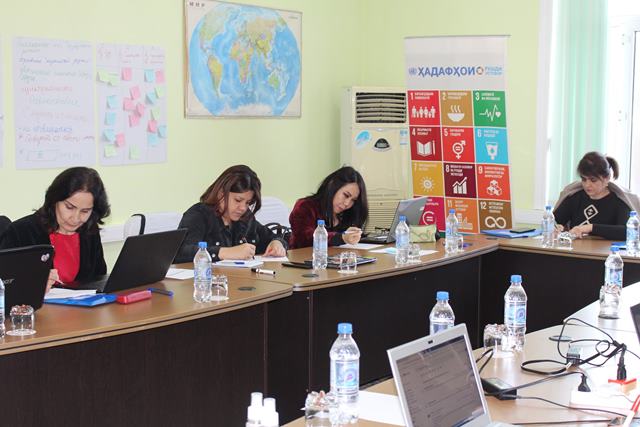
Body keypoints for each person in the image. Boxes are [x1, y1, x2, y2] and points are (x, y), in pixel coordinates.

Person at [0, 167, 110, 290]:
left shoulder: (89, 232)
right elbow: (4, 283)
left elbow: (98, 279)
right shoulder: (21, 232)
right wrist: (31, 283)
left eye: (85, 211)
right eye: (69, 207)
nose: (75, 218)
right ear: (54, 200)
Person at [175, 165, 287, 263]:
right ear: (221, 194)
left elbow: (272, 237)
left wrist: (277, 243)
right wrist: (225, 252)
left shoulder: (245, 218)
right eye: (238, 200)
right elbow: (180, 252)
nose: (243, 208)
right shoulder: (198, 215)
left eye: (248, 203)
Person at [554, 152, 640, 240]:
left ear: (607, 178)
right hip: (575, 248)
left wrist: (590, 228)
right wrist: (556, 228)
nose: (587, 185)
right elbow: (554, 221)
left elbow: (628, 231)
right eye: (584, 179)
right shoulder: (574, 196)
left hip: (606, 249)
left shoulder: (619, 200)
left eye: (593, 180)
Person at [289, 166, 368, 249]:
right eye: (346, 195)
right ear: (332, 185)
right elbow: (304, 238)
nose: (347, 203)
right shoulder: (305, 206)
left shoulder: (346, 214)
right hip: (304, 256)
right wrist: (341, 238)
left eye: (353, 200)